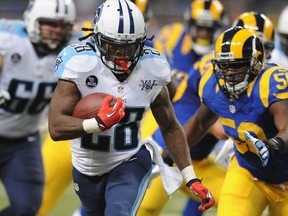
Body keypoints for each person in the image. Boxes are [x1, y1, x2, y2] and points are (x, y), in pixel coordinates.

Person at [48, 0, 215, 215]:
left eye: (130, 46)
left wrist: (190, 177)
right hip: (86, 168)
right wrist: (96, 123)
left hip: (129, 160)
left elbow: (171, 126)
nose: (122, 54)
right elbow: (56, 127)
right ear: (97, 39)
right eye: (114, 45)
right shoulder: (80, 65)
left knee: (119, 212)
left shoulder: (152, 68)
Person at [184, 26, 288, 216]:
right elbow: (200, 122)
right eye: (224, 65)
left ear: (255, 64)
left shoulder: (271, 83)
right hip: (248, 172)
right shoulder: (212, 86)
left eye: (237, 65)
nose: (229, 73)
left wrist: (274, 144)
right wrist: (169, 154)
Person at [138, 1, 228, 215]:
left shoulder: (218, 62)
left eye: (209, 28)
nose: (204, 34)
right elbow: (219, 127)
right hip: (167, 146)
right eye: (200, 27)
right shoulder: (173, 42)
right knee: (145, 206)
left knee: (232, 197)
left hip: (195, 152)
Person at [0, 0, 76, 215]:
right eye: (50, 24)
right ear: (33, 21)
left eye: (63, 26)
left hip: (23, 141)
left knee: (27, 208)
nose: (57, 31)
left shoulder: (73, 51)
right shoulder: (8, 39)